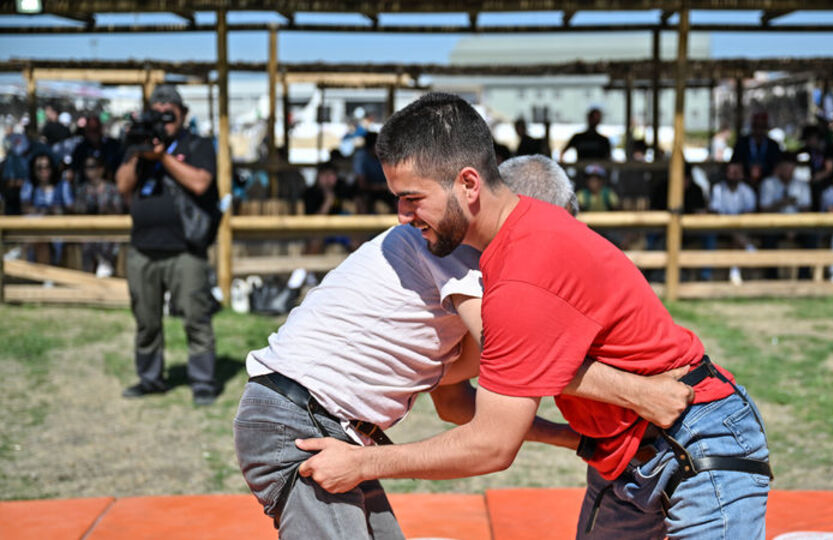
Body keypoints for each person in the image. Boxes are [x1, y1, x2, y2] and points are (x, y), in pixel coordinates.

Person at [296, 93, 771, 540]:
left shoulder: (523, 273)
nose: (402, 216)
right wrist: (596, 422)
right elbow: (473, 386)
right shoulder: (497, 261)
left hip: (694, 435)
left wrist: (362, 464)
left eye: (413, 199)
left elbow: (491, 443)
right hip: (624, 450)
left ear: (469, 184)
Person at [234, 152, 693, 539]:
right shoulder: (459, 252)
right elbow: (520, 359)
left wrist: (574, 439)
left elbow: (456, 403)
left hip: (325, 423)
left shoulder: (463, 273)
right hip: (297, 419)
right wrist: (639, 393)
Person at [115, 85, 221, 406]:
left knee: (196, 319)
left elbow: (201, 183)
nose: (163, 121)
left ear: (183, 115)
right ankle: (150, 379)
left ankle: (203, 383)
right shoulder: (139, 146)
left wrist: (163, 157)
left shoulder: (197, 144)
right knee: (146, 321)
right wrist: (139, 152)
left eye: (169, 115)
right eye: (157, 113)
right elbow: (122, 186)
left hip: (185, 250)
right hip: (143, 248)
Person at [74, 155, 125, 275]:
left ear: (101, 169)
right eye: (86, 167)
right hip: (88, 232)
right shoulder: (82, 190)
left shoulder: (111, 189)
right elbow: (77, 210)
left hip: (108, 233)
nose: (89, 170)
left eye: (92, 166)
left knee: (105, 269)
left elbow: (119, 210)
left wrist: (105, 209)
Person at [709, 162, 758, 285]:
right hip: (721, 227)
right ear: (725, 173)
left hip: (741, 228)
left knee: (736, 236)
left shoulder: (746, 190)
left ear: (742, 175)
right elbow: (716, 211)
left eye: (737, 172)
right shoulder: (718, 189)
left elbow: (750, 212)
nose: (734, 175)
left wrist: (735, 221)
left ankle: (735, 272)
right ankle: (749, 248)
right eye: (731, 172)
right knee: (734, 231)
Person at [731, 111, 782, 187]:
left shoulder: (773, 145)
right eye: (756, 126)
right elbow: (735, 163)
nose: (759, 130)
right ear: (752, 126)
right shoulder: (742, 143)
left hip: (767, 181)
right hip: (744, 180)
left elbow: (777, 166)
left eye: (762, 126)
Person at [72, 115, 123, 184]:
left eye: (96, 130)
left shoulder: (112, 145)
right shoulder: (80, 148)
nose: (93, 134)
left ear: (100, 129)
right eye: (91, 130)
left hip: (108, 184)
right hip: (86, 186)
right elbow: (74, 169)